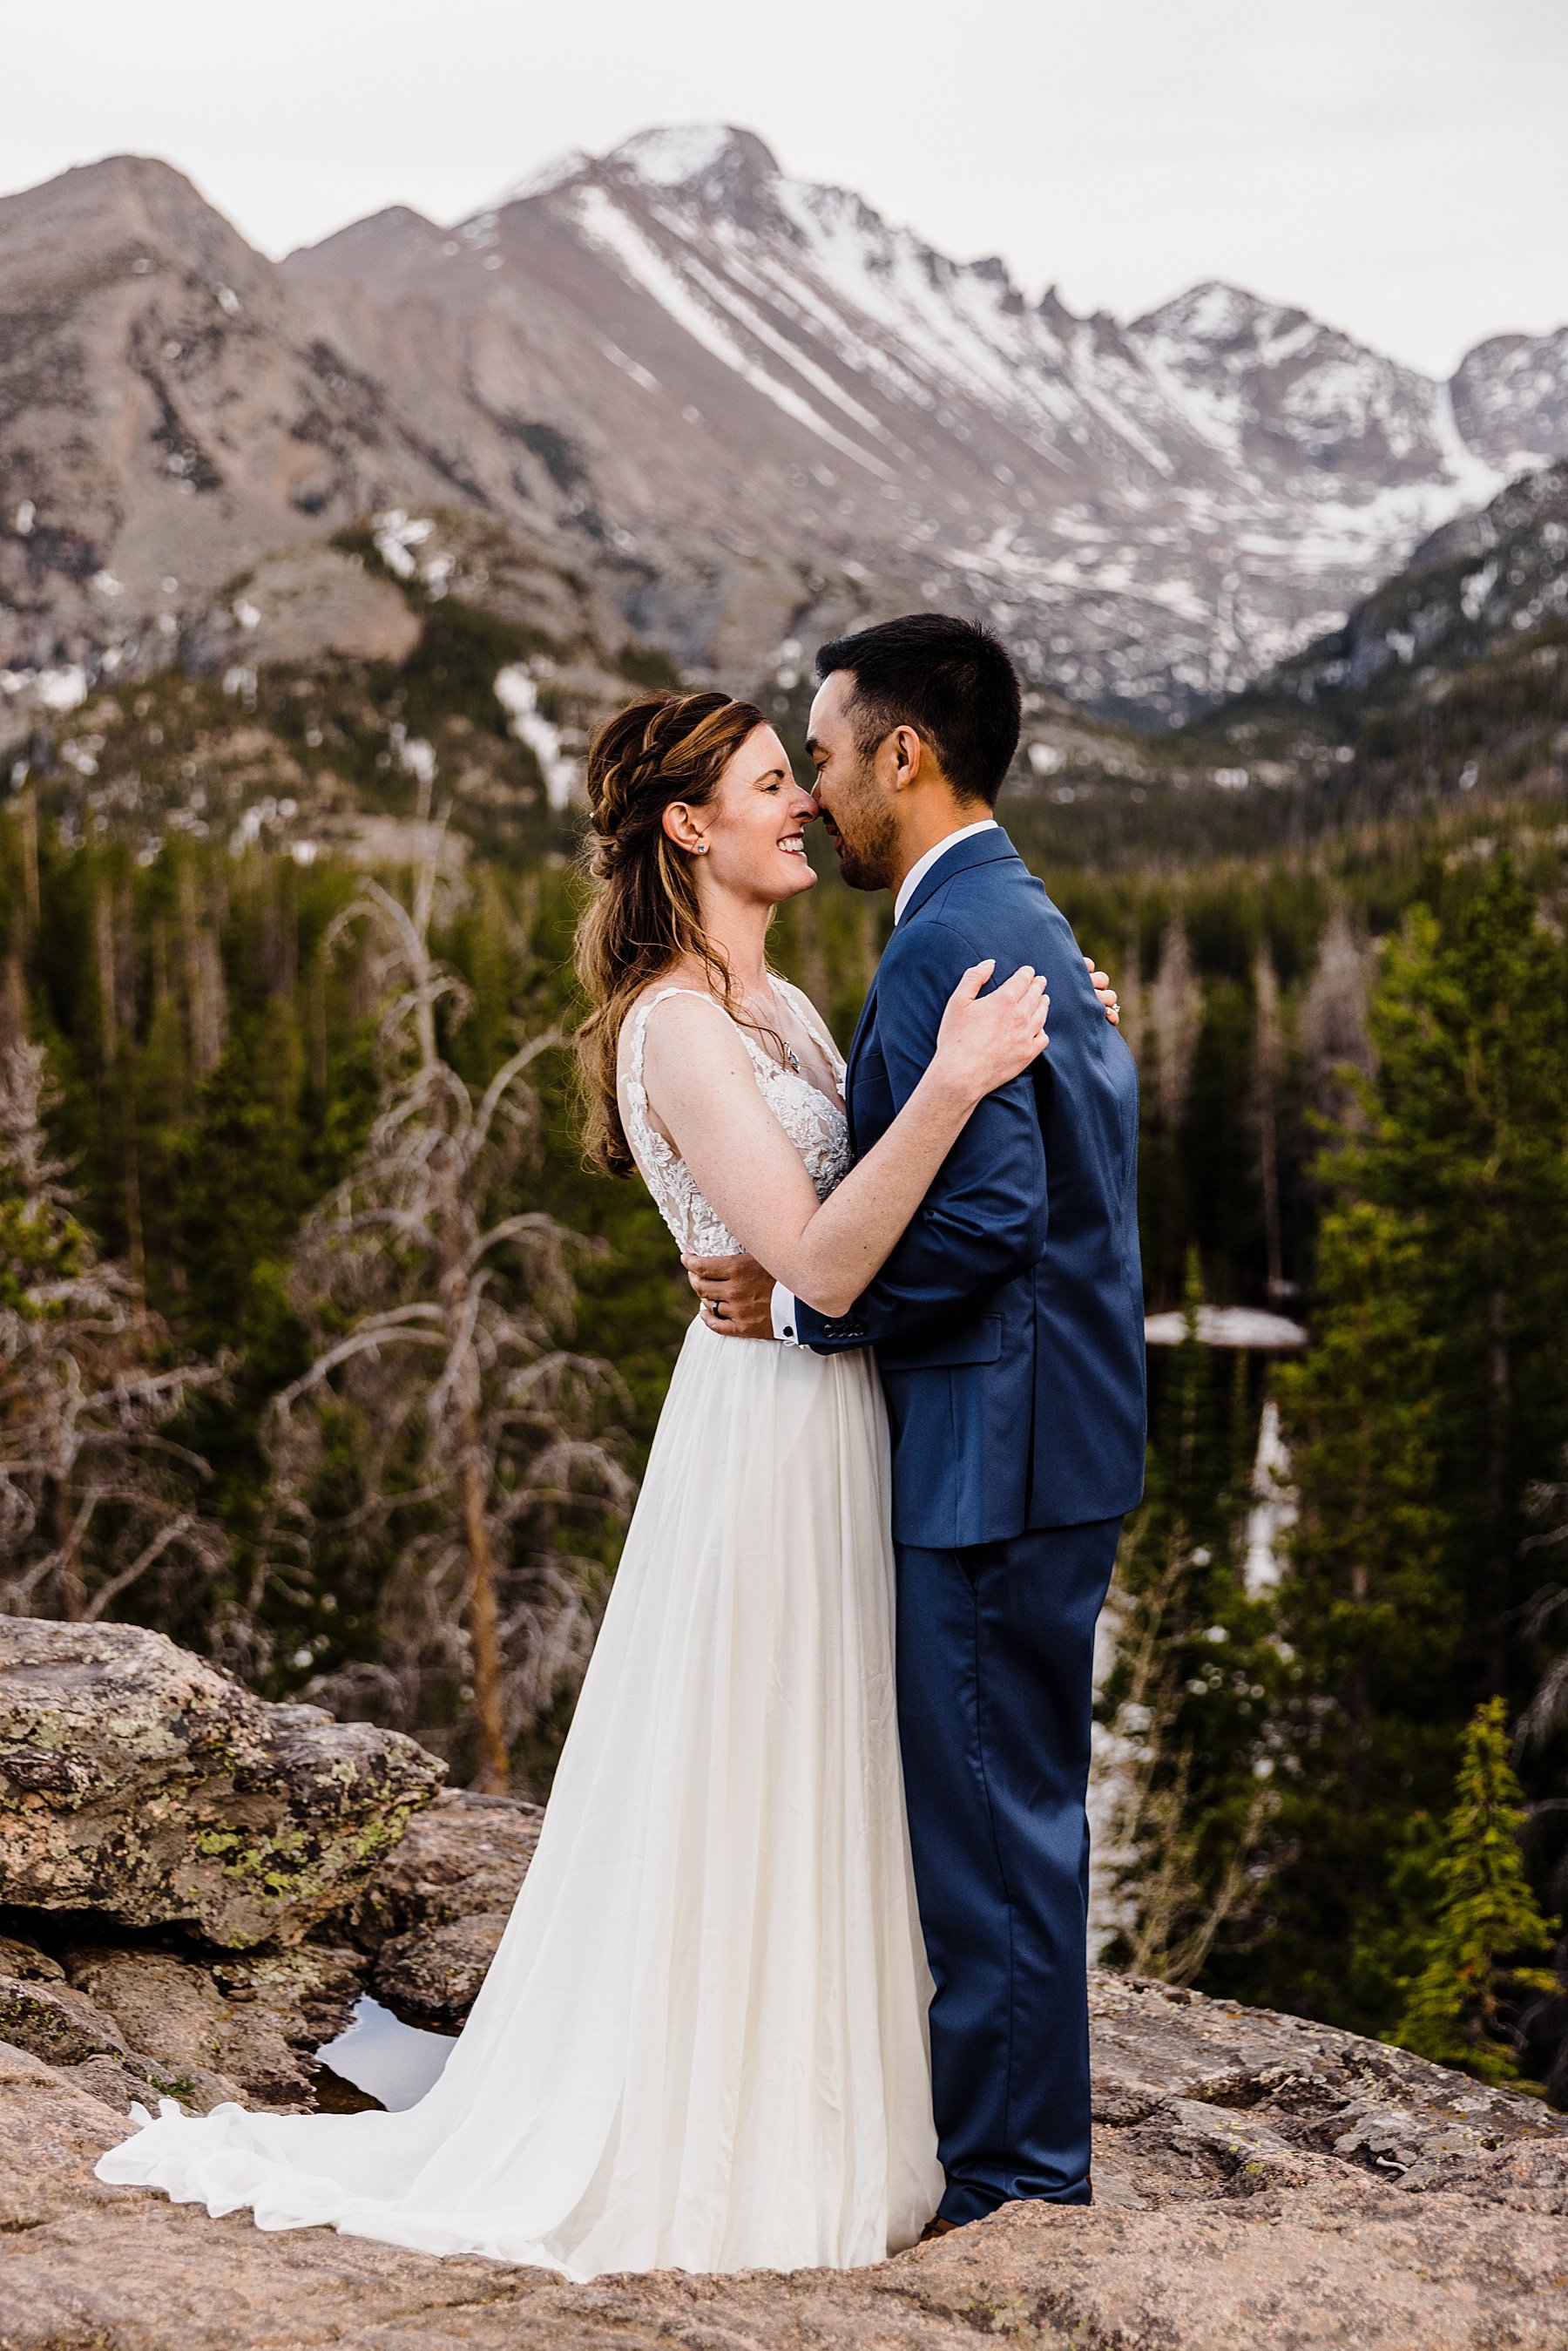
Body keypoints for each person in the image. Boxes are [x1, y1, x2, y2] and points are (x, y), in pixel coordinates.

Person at [96, 681, 1112, 2279]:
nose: (808, 805)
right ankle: (725, 2126)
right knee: (757, 1757)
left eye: (806, 776)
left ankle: (836, 2098)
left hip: (838, 1422)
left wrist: (1040, 1026)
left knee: (827, 1760)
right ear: (689, 826)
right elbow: (825, 1259)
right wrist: (960, 1078)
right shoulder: (676, 1023)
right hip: (769, 1429)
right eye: (775, 784)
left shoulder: (782, 1008)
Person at [686, 613, 1146, 2226]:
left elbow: (992, 1216)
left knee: (991, 1833)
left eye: (822, 754)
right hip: (1043, 1435)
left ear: (906, 754)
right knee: (1009, 1811)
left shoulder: (955, 936)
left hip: (991, 1452)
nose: (815, 791)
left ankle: (1017, 2189)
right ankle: (1021, 2160)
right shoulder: (1013, 914)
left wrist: (811, 1302)